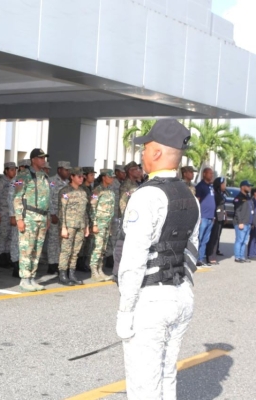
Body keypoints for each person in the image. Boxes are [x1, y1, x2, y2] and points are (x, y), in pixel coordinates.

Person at [116, 119, 199, 400]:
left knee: (143, 386)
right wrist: (181, 290)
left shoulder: (147, 196)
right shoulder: (190, 196)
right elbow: (192, 254)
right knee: (166, 375)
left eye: (145, 148)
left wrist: (125, 311)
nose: (141, 154)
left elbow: (133, 259)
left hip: (150, 300)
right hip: (181, 294)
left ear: (156, 153)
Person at [13, 149, 50, 291]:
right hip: (29, 216)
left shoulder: (44, 176)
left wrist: (47, 217)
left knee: (37, 249)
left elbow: (47, 199)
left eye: (44, 158)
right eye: (40, 158)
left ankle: (32, 277)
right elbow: (17, 198)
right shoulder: (24, 175)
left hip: (41, 216)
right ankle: (24, 279)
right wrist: (19, 219)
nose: (43, 160)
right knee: (26, 249)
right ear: (33, 160)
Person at [57, 167, 90, 286]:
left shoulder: (83, 192)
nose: (81, 179)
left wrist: (86, 226)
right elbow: (61, 211)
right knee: (66, 250)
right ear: (72, 177)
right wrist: (63, 227)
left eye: (82, 177)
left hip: (80, 225)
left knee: (75, 252)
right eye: (79, 176)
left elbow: (85, 211)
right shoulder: (65, 191)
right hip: (69, 225)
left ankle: (71, 273)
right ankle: (62, 274)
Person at [88, 169, 116, 282]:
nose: (112, 179)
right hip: (99, 223)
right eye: (110, 177)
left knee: (103, 248)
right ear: (104, 177)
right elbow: (92, 208)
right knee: (97, 248)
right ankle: (94, 271)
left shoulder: (110, 191)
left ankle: (100, 269)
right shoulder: (97, 191)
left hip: (107, 224)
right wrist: (94, 224)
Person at [46, 161, 71, 274]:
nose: (68, 172)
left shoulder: (68, 183)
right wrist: (52, 214)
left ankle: (60, 264)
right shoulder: (51, 181)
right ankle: (52, 264)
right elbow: (49, 198)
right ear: (59, 170)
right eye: (66, 170)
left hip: (65, 217)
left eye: (68, 170)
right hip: (55, 215)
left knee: (63, 241)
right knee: (53, 241)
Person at [0, 162, 17, 268]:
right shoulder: (1, 182)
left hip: (11, 213)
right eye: (11, 169)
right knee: (2, 236)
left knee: (10, 237)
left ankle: (8, 257)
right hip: (3, 213)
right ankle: (1, 258)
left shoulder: (14, 182)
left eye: (15, 169)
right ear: (6, 170)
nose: (14, 171)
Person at [10, 159, 30, 277]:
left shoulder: (29, 179)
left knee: (25, 242)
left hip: (27, 216)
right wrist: (12, 215)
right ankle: (15, 265)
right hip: (17, 215)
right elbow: (11, 198)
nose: (26, 169)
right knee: (15, 241)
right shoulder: (15, 181)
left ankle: (24, 266)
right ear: (20, 167)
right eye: (24, 167)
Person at [195, 168, 216, 266]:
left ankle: (201, 258)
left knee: (205, 240)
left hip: (210, 217)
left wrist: (213, 216)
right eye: (209, 173)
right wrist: (198, 216)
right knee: (199, 238)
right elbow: (197, 201)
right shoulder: (200, 186)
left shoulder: (211, 186)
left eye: (212, 173)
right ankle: (195, 258)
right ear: (204, 174)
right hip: (203, 216)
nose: (211, 175)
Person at [205, 177, 226, 265]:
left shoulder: (221, 193)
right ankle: (210, 256)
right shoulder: (215, 194)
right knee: (212, 238)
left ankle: (213, 255)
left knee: (216, 238)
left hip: (220, 217)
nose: (225, 186)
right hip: (215, 218)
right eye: (223, 184)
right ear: (219, 184)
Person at [232, 180, 254, 263]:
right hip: (241, 223)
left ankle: (242, 257)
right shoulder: (239, 198)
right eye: (248, 186)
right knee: (239, 240)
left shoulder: (248, 197)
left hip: (248, 222)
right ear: (242, 187)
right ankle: (237, 257)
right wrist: (240, 222)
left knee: (244, 241)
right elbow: (237, 211)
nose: (249, 187)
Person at [248, 188, 256, 259]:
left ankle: (254, 253)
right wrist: (252, 223)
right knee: (253, 238)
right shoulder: (252, 201)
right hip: (254, 222)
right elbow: (252, 213)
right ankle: (250, 254)